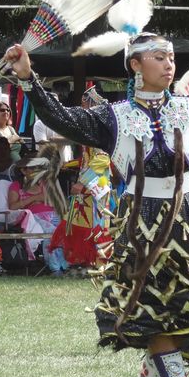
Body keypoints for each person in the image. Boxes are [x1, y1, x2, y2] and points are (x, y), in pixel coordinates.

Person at [2, 34, 189, 377]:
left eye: (172, 57)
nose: (169, 64)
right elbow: (61, 118)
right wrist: (30, 79)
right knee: (151, 317)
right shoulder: (114, 117)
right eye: (159, 58)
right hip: (141, 224)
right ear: (135, 65)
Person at [50, 84, 113, 269]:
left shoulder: (100, 127)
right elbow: (89, 158)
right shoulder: (92, 126)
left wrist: (82, 183)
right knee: (81, 222)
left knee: (99, 223)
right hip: (89, 185)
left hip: (98, 185)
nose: (82, 107)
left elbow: (102, 158)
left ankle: (101, 263)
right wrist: (69, 165)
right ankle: (88, 262)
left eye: (84, 103)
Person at [7, 153, 69, 276]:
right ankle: (56, 268)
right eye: (33, 168)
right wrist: (35, 198)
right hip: (33, 217)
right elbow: (12, 207)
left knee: (66, 231)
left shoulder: (44, 183)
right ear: (24, 170)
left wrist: (39, 198)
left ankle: (65, 266)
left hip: (53, 213)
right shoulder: (16, 186)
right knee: (51, 233)